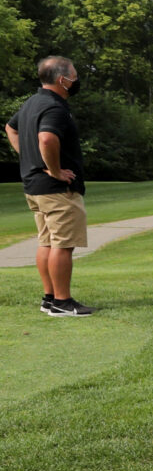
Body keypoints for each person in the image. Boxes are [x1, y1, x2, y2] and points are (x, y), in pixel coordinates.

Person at [11, 58, 89, 315]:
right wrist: (54, 170)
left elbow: (10, 129)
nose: (76, 80)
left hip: (34, 187)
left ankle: (49, 298)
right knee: (62, 245)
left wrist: (29, 159)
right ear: (62, 80)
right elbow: (46, 139)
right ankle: (62, 302)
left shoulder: (32, 103)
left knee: (47, 242)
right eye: (74, 76)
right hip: (56, 190)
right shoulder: (55, 107)